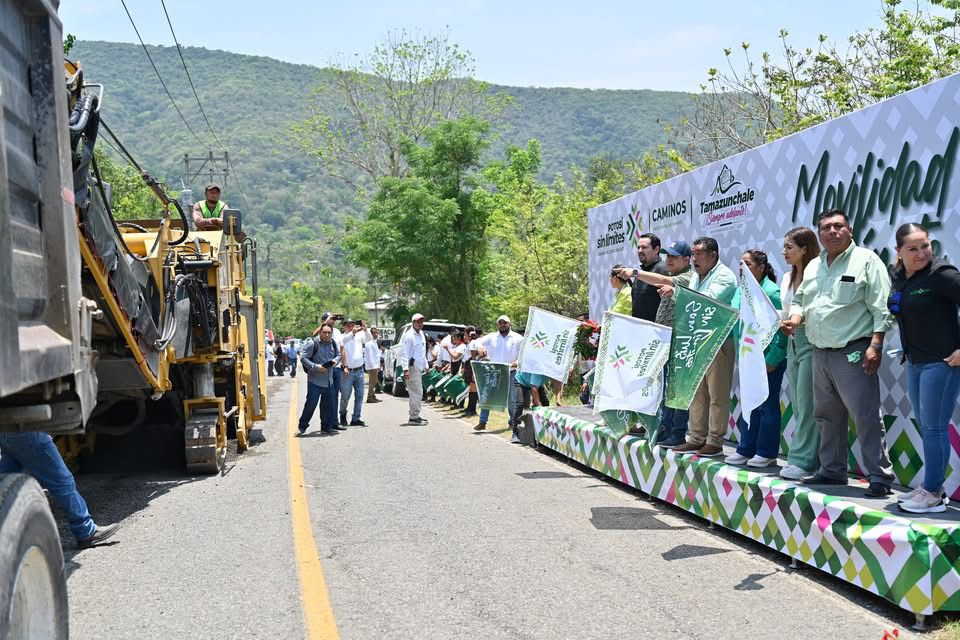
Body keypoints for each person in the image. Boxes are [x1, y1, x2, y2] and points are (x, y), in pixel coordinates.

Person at [783, 209, 895, 498]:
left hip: (854, 351)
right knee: (826, 416)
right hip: (819, 352)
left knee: (865, 415)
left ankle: (879, 476)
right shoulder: (814, 266)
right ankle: (832, 471)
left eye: (838, 226)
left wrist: (876, 345)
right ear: (819, 234)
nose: (832, 232)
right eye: (826, 228)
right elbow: (801, 299)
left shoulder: (866, 261)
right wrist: (795, 319)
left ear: (850, 230)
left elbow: (881, 307)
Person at [889, 222, 960, 513]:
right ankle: (933, 489)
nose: (922, 253)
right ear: (899, 251)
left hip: (941, 363)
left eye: (926, 246)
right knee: (928, 427)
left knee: (933, 428)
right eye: (913, 248)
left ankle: (932, 493)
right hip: (916, 362)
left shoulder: (941, 274)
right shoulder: (899, 277)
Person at [672, 236, 737, 457]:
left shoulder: (725, 276)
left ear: (713, 255)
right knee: (697, 393)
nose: (694, 258)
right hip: (698, 340)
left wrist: (676, 293)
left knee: (717, 394)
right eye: (693, 253)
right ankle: (697, 437)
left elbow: (704, 301)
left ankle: (715, 441)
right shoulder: (696, 277)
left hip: (719, 340)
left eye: (699, 254)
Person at [0, 432, 120, 548]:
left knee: (5, 484)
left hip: (6, 430)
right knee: (62, 481)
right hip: (26, 431)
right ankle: (85, 530)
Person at [629, 240, 695, 447]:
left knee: (678, 390)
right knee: (667, 388)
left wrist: (634, 273)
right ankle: (665, 427)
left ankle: (677, 432)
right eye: (668, 256)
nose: (669, 260)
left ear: (687, 259)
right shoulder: (673, 278)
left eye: (674, 257)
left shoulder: (687, 278)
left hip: (680, 341)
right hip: (666, 340)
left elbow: (660, 278)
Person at [725, 250, 788, 467]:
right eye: (740, 264)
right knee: (750, 403)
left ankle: (767, 452)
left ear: (761, 267)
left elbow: (781, 330)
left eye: (748, 264)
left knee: (768, 405)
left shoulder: (772, 292)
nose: (742, 268)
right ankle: (746, 448)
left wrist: (774, 357)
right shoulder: (741, 290)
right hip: (748, 357)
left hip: (768, 359)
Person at [779, 227, 821, 480]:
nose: (784, 252)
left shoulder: (817, 276)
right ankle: (804, 457)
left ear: (804, 249)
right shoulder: (786, 278)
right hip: (790, 342)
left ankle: (803, 460)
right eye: (784, 247)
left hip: (812, 341)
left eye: (789, 247)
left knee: (807, 404)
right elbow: (786, 311)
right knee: (797, 401)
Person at [475, 316, 524, 440]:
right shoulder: (492, 336)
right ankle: (482, 422)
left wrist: (517, 363)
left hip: (512, 370)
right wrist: (480, 346)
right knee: (488, 395)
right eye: (500, 323)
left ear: (509, 324)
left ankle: (513, 422)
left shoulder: (518, 338)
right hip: (495, 370)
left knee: (512, 398)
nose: (502, 325)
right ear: (497, 325)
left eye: (505, 323)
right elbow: (477, 341)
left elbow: (522, 355)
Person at [298, 324, 343, 435]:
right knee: (311, 404)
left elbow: (338, 355)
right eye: (324, 332)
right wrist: (316, 367)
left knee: (327, 405)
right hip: (315, 381)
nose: (327, 335)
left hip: (329, 380)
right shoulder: (313, 343)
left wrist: (334, 361)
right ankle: (302, 426)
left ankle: (326, 426)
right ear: (320, 333)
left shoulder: (333, 343)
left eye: (329, 333)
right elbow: (303, 358)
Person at [626, 233, 670, 321]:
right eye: (638, 247)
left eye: (644, 247)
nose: (640, 251)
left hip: (656, 330)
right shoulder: (641, 271)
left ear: (656, 249)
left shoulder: (663, 270)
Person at [339, 319, 372, 427]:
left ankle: (356, 418)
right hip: (347, 371)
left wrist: (365, 329)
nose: (351, 327)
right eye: (348, 325)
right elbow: (342, 342)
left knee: (360, 395)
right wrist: (352, 333)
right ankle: (343, 415)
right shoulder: (342, 337)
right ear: (344, 327)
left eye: (353, 325)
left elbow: (369, 338)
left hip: (359, 370)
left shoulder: (359, 336)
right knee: (345, 396)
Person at [401, 313, 429, 425]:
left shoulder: (421, 334)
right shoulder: (409, 336)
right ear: (413, 322)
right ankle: (413, 417)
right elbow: (404, 353)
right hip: (412, 367)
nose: (420, 324)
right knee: (416, 392)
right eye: (418, 321)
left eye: (421, 321)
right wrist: (405, 369)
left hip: (419, 366)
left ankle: (415, 415)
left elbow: (422, 352)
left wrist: (426, 364)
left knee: (418, 392)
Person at [365, 328, 382, 403]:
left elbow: (377, 355)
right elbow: (371, 356)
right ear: (371, 334)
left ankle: (373, 396)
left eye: (377, 333)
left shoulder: (375, 343)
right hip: (372, 366)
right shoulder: (369, 343)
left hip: (375, 365)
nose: (376, 334)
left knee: (374, 381)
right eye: (374, 333)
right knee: (372, 382)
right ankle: (369, 397)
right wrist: (374, 367)